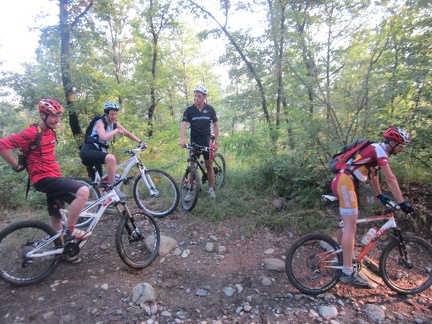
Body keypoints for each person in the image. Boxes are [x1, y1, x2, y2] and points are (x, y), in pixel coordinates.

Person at [0, 99, 91, 263]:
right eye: (53, 116)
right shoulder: (32, 132)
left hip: (53, 177)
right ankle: (70, 230)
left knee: (56, 217)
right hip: (42, 178)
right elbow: (2, 145)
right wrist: (15, 165)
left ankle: (62, 252)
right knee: (83, 192)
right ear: (42, 115)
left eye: (58, 116)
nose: (56, 120)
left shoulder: (51, 131)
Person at [332, 126, 414, 287]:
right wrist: (403, 203)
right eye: (401, 146)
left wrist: (380, 195)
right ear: (392, 143)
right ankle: (347, 273)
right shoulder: (379, 150)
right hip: (345, 182)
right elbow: (391, 178)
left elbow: (374, 176)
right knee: (351, 227)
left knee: (345, 225)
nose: (402, 150)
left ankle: (341, 259)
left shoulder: (375, 150)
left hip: (344, 181)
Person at [80, 101, 147, 197]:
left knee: (98, 183)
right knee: (111, 159)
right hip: (88, 151)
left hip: (98, 151)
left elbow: (127, 133)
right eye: (112, 114)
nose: (114, 116)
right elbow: (103, 137)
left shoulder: (114, 124)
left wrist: (140, 141)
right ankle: (114, 187)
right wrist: (116, 131)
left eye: (116, 114)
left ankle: (101, 205)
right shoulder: (100, 122)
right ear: (107, 114)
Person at [179, 85, 220, 199]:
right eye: (195, 95)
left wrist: (216, 142)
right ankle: (191, 191)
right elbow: (183, 124)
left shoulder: (210, 109)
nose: (196, 98)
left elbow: (216, 126)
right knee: (193, 166)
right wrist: (182, 138)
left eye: (199, 96)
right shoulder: (189, 110)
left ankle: (211, 189)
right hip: (194, 140)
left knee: (209, 165)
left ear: (204, 97)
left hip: (206, 140)